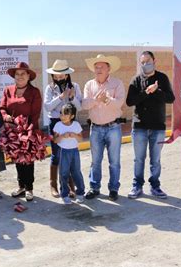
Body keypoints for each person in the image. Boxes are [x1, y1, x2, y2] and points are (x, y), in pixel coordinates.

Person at [126, 51, 175, 199]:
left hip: (158, 127)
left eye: (148, 61)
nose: (145, 64)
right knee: (139, 159)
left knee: (156, 160)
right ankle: (137, 186)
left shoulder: (162, 78)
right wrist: (146, 92)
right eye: (142, 62)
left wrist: (157, 91)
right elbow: (130, 101)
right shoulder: (135, 80)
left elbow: (170, 98)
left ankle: (155, 186)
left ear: (154, 61)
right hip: (139, 127)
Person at [82, 54, 125, 201]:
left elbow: (119, 103)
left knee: (114, 161)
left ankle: (113, 189)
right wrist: (96, 100)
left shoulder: (117, 83)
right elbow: (84, 104)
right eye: (96, 67)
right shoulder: (89, 85)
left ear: (109, 69)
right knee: (95, 161)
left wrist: (106, 100)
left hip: (113, 127)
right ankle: (94, 188)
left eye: (101, 67)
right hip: (95, 129)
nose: (98, 69)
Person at [0, 62, 42, 201]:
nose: (20, 76)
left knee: (28, 160)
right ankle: (21, 186)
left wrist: (30, 133)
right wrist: (5, 116)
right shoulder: (8, 90)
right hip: (12, 131)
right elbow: (2, 108)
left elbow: (36, 114)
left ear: (28, 76)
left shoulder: (34, 92)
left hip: (28, 131)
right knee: (17, 159)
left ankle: (29, 188)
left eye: (23, 73)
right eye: (17, 74)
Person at [44, 59, 82, 198]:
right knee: (56, 154)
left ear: (67, 75)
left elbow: (80, 107)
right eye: (56, 76)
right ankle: (53, 185)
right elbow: (47, 107)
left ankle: (70, 186)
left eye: (61, 75)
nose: (58, 78)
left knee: (69, 153)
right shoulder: (50, 88)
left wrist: (72, 98)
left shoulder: (75, 87)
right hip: (55, 122)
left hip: (70, 122)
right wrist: (61, 97)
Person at [53, 103, 85, 205]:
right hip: (63, 151)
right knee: (63, 173)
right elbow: (55, 140)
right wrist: (62, 136)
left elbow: (81, 139)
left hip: (74, 151)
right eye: (61, 114)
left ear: (72, 116)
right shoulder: (58, 125)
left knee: (76, 172)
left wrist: (74, 135)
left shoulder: (76, 125)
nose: (62, 116)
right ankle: (65, 194)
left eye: (65, 115)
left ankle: (80, 193)